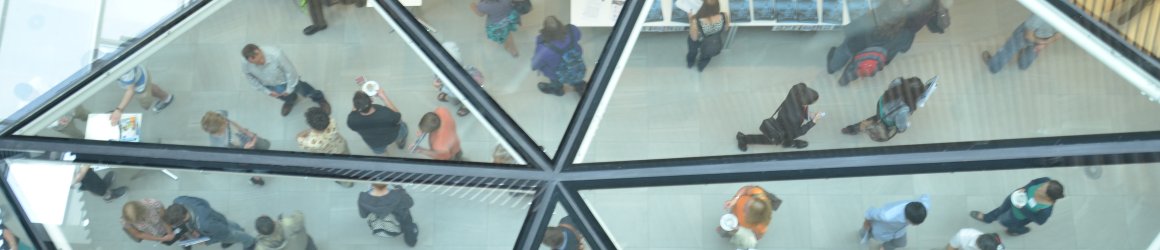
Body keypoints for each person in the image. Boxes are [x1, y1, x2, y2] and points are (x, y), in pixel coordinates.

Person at [241, 44, 331, 116]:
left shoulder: (276, 54)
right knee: (284, 97)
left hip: (287, 81)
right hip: (270, 85)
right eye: (257, 63)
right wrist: (266, 91)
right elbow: (250, 77)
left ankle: (319, 99)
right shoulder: (246, 63)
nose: (261, 62)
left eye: (261, 58)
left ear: (260, 50)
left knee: (304, 90)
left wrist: (289, 89)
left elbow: (290, 71)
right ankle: (290, 100)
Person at [736, 83, 821, 151]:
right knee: (771, 140)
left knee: (784, 136)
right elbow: (798, 132)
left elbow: (801, 106)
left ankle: (788, 143)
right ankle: (743, 138)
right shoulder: (796, 117)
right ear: (805, 101)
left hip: (784, 116)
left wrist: (808, 114)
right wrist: (813, 122)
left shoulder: (796, 91)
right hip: (787, 126)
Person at [969, 177, 1065, 237]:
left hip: (1016, 216)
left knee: (1005, 221)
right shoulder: (1046, 180)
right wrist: (1025, 188)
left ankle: (1017, 230)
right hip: (1014, 198)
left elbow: (1040, 221)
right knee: (1001, 209)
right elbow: (1033, 182)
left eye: (1042, 190)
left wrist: (1022, 208)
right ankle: (987, 218)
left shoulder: (1046, 210)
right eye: (1043, 185)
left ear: (1047, 196)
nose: (1040, 187)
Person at [840, 77, 927, 142]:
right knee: (882, 127)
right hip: (886, 116)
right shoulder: (904, 109)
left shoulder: (898, 82)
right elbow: (901, 126)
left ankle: (851, 129)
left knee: (876, 117)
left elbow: (892, 84)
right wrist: (904, 127)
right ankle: (870, 128)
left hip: (881, 104)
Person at [201, 110, 270, 186]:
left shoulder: (220, 116)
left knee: (264, 145)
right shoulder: (220, 145)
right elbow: (236, 160)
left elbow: (230, 122)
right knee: (259, 166)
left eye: (225, 120)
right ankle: (256, 178)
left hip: (241, 143)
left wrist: (245, 132)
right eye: (224, 124)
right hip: (237, 157)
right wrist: (245, 150)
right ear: (219, 131)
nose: (227, 123)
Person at [164, 196, 256, 250]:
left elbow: (222, 233)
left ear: (183, 218)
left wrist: (207, 243)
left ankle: (250, 242)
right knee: (228, 224)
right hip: (216, 217)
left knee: (232, 235)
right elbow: (204, 202)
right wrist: (194, 228)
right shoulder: (179, 200)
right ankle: (239, 229)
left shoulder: (205, 224)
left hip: (218, 229)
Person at [981, 15, 1061, 74]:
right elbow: (1058, 35)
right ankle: (1023, 65)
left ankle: (994, 65)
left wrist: (1038, 41)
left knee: (1009, 49)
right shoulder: (1067, 16)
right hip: (1045, 38)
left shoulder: (1042, 13)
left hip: (1028, 35)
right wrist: (1044, 43)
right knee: (1033, 50)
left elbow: (1028, 34)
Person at [533, 16, 587, 96]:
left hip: (558, 75)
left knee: (553, 77)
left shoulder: (543, 47)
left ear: (545, 30)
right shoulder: (572, 29)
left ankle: (557, 89)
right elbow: (579, 36)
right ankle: (580, 87)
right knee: (576, 76)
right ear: (560, 23)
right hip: (577, 67)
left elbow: (535, 65)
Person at [348, 90, 408, 156]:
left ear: (355, 105)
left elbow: (354, 110)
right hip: (393, 135)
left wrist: (359, 101)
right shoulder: (386, 113)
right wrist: (384, 97)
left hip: (374, 143)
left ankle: (386, 157)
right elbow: (398, 117)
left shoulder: (351, 120)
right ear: (372, 100)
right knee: (402, 127)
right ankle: (400, 142)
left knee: (380, 152)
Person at [861, 194, 930, 250]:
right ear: (908, 219)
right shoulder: (887, 215)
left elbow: (925, 196)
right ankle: (862, 234)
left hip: (898, 230)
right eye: (913, 223)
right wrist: (866, 222)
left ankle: (885, 247)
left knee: (901, 243)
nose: (914, 225)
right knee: (866, 233)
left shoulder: (923, 206)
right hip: (880, 227)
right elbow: (871, 213)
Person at [434, 41, 484, 116]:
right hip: (450, 91)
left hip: (466, 94)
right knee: (453, 101)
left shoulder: (468, 72)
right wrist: (437, 83)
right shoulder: (440, 72)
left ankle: (467, 106)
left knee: (469, 99)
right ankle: (452, 98)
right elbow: (436, 78)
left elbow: (479, 80)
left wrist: (477, 81)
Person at [686, 0, 730, 72]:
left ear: (702, 7)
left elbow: (694, 38)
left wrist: (691, 21)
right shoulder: (724, 15)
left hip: (701, 39)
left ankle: (690, 63)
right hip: (713, 42)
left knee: (692, 48)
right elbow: (726, 28)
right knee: (706, 56)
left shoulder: (697, 19)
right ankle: (701, 67)